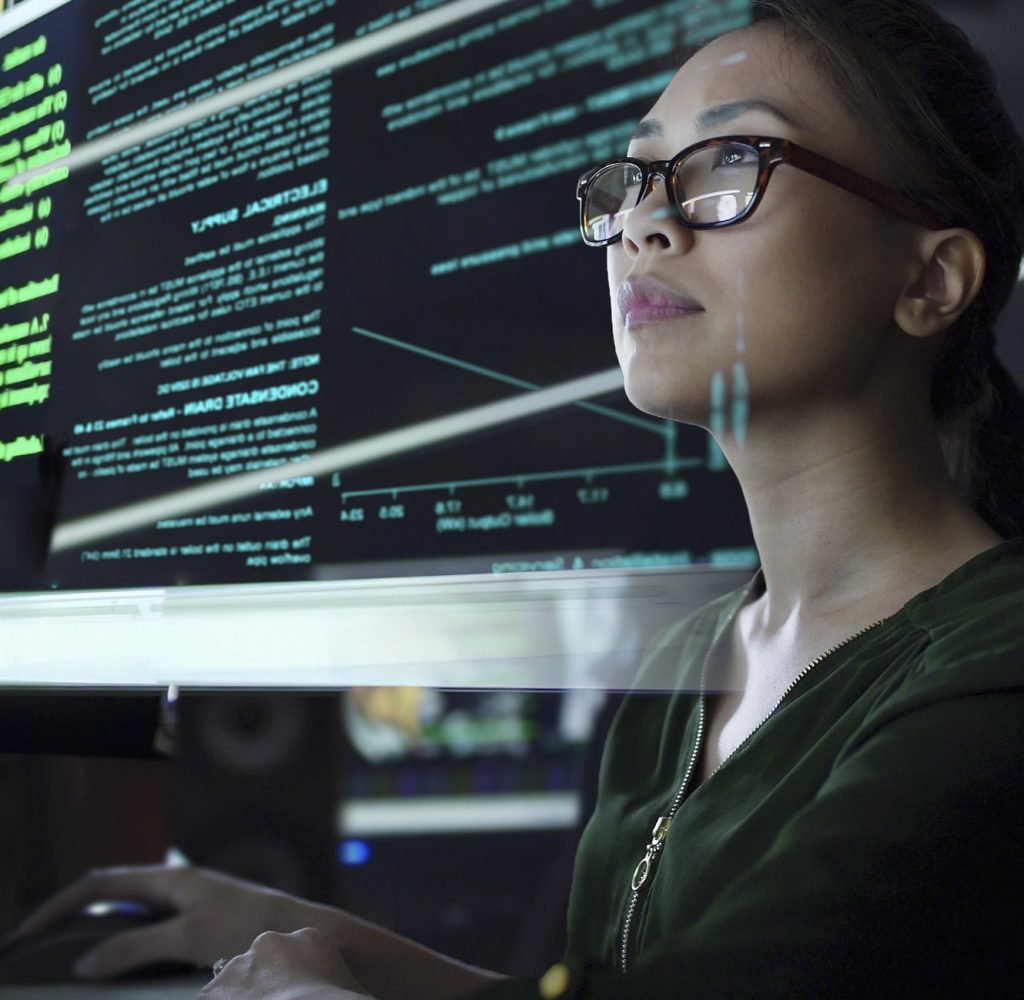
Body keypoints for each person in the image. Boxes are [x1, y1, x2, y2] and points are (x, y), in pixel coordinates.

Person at [8, 0, 1024, 996]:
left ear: (932, 280)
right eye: (633, 179)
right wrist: (324, 940)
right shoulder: (697, 651)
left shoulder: (994, 664)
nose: (642, 225)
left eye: (729, 165)